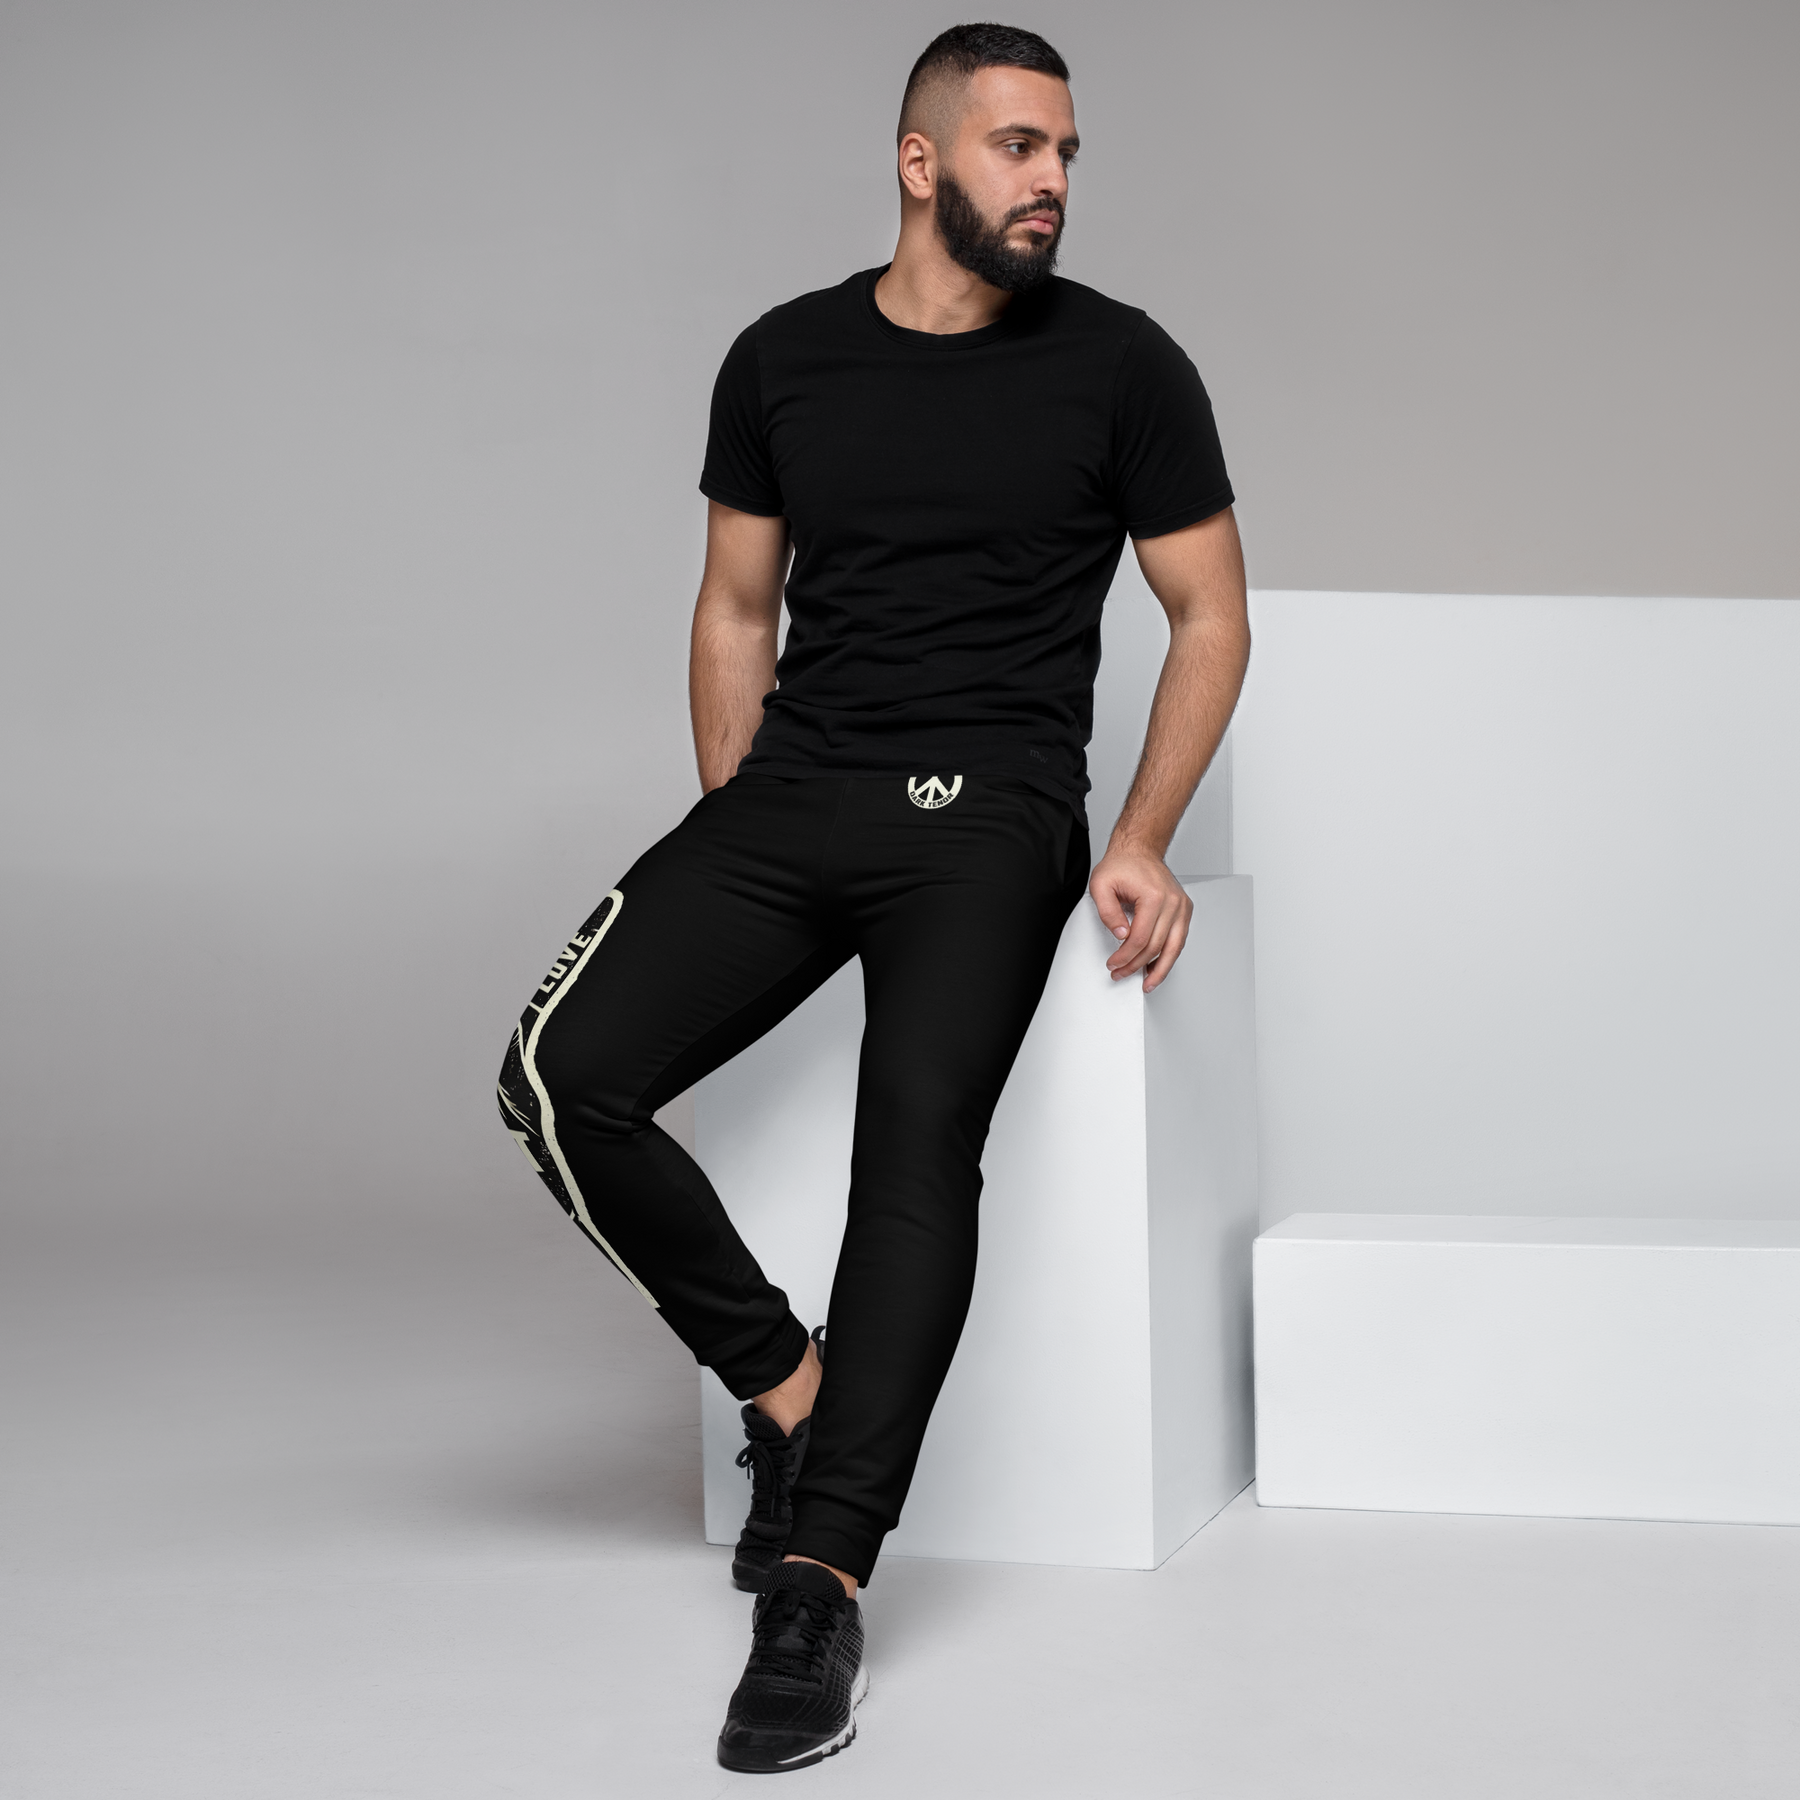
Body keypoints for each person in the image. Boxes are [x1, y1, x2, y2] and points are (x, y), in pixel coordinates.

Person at [496, 20, 1248, 1775]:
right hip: (798, 793)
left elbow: (1208, 615)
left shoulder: (1126, 366)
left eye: (1066, 152)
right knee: (557, 1076)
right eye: (1016, 147)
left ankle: (820, 1581)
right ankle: (792, 1393)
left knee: (910, 1155)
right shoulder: (783, 358)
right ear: (921, 163)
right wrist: (733, 823)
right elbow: (734, 607)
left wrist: (1139, 835)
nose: (1052, 181)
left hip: (993, 815)